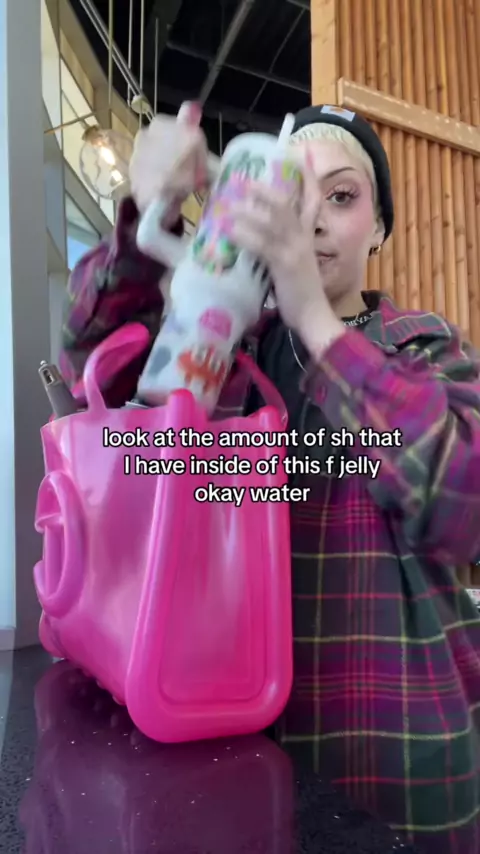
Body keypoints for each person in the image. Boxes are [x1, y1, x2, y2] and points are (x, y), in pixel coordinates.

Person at [60, 105, 480, 849]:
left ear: (379, 230)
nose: (308, 217)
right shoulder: (220, 352)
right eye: (291, 192)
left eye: (340, 197)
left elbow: (464, 501)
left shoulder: (422, 349)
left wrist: (313, 318)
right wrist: (148, 210)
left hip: (399, 760)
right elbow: (86, 365)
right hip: (226, 758)